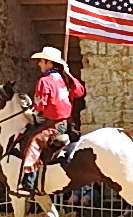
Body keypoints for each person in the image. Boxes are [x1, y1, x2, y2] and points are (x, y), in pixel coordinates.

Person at [13, 46, 86, 197]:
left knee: (34, 143)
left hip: (53, 124)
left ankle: (28, 182)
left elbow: (40, 104)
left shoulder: (44, 81)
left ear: (49, 63)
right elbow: (80, 92)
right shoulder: (64, 79)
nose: (39, 64)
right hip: (67, 123)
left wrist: (32, 109)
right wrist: (68, 73)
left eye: (41, 61)